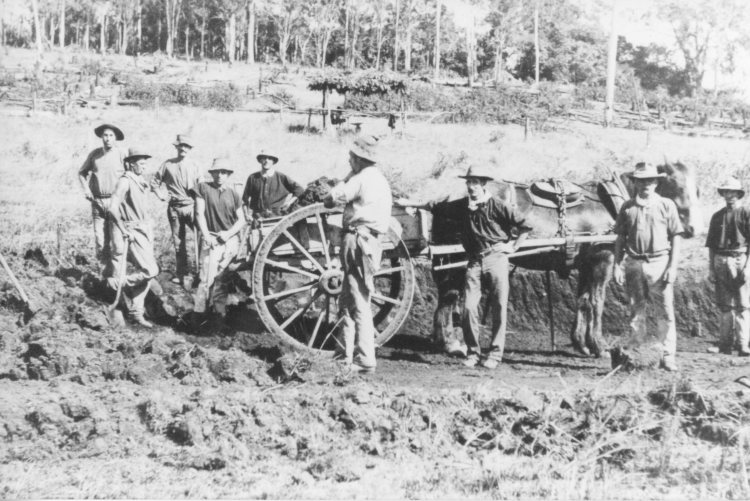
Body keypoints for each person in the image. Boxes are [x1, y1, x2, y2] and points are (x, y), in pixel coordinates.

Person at [398, 166, 531, 369]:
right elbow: (436, 207)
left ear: (483, 184)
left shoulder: (497, 205)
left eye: (475, 183)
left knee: (499, 307)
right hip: (475, 261)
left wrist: (512, 246)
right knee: (469, 307)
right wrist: (409, 203)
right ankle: (473, 353)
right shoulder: (463, 206)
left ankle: (495, 354)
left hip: (496, 258)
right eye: (469, 183)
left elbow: (525, 226)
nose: (471, 187)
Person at [323, 135, 391, 373]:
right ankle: (343, 355)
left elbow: (331, 199)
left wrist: (340, 184)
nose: (348, 159)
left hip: (357, 240)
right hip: (370, 240)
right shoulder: (379, 179)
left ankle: (365, 359)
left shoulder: (361, 179)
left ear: (359, 159)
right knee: (348, 298)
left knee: (359, 300)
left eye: (351, 157)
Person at [613, 161, 684, 371]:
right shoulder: (627, 207)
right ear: (635, 183)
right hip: (634, 263)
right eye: (641, 181)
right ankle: (637, 353)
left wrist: (673, 266)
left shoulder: (666, 205)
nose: (646, 185)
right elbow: (620, 238)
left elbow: (676, 237)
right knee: (636, 309)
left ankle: (667, 355)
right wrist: (617, 265)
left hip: (659, 262)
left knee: (665, 312)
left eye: (650, 181)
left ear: (656, 183)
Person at [106, 147, 160, 328]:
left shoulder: (140, 180)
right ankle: (120, 282)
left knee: (147, 273)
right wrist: (123, 229)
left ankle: (136, 312)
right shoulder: (125, 181)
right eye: (141, 163)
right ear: (130, 164)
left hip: (144, 228)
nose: (144, 167)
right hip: (132, 229)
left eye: (145, 163)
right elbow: (112, 208)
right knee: (150, 270)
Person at [193, 158, 245, 318]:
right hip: (212, 239)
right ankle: (199, 314)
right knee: (205, 278)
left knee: (222, 279)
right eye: (217, 172)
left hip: (229, 241)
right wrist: (207, 236)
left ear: (228, 175)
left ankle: (219, 313)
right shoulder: (203, 188)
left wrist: (228, 234)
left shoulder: (233, 194)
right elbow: (199, 213)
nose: (220, 175)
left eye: (223, 172)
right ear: (212, 173)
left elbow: (242, 220)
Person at [706, 177, 750, 356]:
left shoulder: (746, 213)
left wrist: (747, 268)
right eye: (726, 192)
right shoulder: (717, 216)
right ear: (723, 194)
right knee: (725, 305)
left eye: (733, 192)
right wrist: (711, 268)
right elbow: (711, 245)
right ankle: (725, 345)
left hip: (740, 258)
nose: (730, 196)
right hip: (721, 259)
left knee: (743, 304)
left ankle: (743, 344)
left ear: (739, 194)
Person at [150, 133, 203, 286]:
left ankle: (201, 274)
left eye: (186, 146)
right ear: (176, 147)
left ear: (190, 149)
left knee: (200, 240)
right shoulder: (168, 164)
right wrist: (161, 195)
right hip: (174, 208)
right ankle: (181, 274)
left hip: (192, 207)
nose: (183, 149)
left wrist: (200, 205)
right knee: (179, 243)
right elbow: (154, 183)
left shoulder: (195, 165)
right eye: (181, 146)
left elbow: (202, 187)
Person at [78, 123, 126, 275]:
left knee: (117, 242)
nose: (108, 139)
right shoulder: (95, 154)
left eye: (111, 135)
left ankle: (118, 275)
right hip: (97, 202)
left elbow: (130, 176)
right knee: (100, 241)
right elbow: (82, 173)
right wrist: (86, 189)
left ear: (116, 137)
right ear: (101, 137)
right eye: (105, 135)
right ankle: (104, 276)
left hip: (116, 203)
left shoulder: (122, 154)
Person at [242, 150, 305, 219]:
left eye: (269, 158)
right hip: (257, 217)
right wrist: (246, 215)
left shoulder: (281, 177)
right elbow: (245, 199)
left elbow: (299, 189)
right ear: (260, 160)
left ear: (273, 161)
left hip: (277, 217)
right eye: (264, 158)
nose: (266, 161)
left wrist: (289, 203)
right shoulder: (253, 178)